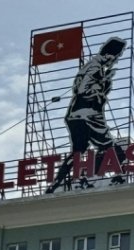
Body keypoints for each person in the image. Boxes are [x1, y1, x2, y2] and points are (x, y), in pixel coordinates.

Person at [46, 36, 127, 193]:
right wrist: (102, 86)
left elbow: (81, 87)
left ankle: (57, 183)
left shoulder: (91, 66)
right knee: (115, 151)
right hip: (88, 116)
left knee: (77, 153)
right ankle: (102, 177)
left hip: (74, 116)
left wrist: (104, 81)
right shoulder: (95, 67)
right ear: (109, 54)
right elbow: (84, 90)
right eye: (115, 57)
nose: (115, 61)